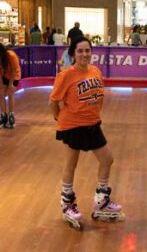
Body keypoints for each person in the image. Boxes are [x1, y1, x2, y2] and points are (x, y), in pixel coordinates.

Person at [49, 36, 124, 230]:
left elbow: (99, 97)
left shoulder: (96, 71)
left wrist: (95, 113)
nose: (84, 54)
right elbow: (53, 101)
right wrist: (60, 120)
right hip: (72, 126)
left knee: (107, 159)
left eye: (87, 50)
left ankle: (101, 201)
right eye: (80, 51)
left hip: (92, 124)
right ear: (73, 54)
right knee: (71, 165)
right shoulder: (66, 75)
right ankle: (67, 204)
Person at [0, 43, 21, 129]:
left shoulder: (11, 55)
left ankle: (11, 115)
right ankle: (3, 115)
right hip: (5, 75)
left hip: (14, 75)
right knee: (1, 93)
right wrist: (1, 82)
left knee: (10, 93)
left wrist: (11, 84)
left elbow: (14, 71)